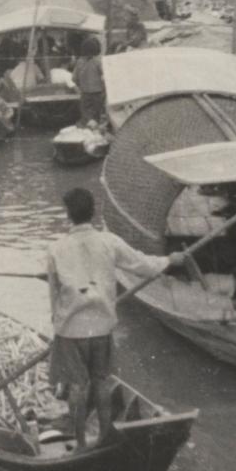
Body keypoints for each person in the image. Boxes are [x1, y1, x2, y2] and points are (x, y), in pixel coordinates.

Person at [39, 189, 185, 446]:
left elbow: (54, 294)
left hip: (72, 330)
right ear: (92, 213)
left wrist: (57, 324)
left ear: (68, 215)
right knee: (102, 382)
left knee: (77, 386)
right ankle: (106, 436)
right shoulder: (110, 242)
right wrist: (170, 260)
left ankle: (81, 444)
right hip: (101, 327)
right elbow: (143, 265)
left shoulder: (55, 249)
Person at [73, 37, 106, 126]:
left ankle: (87, 133)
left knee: (86, 117)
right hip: (97, 94)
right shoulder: (98, 61)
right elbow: (105, 76)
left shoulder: (79, 62)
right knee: (97, 118)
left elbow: (74, 78)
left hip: (84, 94)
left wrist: (81, 85)